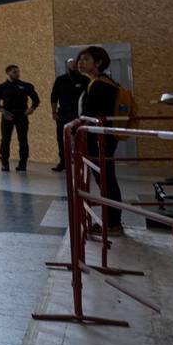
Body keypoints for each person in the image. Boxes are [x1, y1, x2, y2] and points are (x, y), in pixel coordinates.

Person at [76, 45, 125, 231]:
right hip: (102, 139)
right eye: (80, 59)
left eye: (86, 59)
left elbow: (91, 115)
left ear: (98, 63)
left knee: (106, 180)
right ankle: (112, 221)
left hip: (99, 141)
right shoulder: (101, 82)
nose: (80, 63)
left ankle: (112, 223)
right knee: (106, 179)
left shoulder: (99, 85)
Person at [0, 63, 41, 172]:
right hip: (7, 116)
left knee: (23, 139)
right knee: (5, 139)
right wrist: (3, 112)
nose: (17, 74)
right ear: (8, 73)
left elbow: (36, 100)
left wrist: (32, 108)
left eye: (18, 72)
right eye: (14, 72)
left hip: (22, 115)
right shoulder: (1, 87)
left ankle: (22, 163)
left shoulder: (26, 86)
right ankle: (4, 162)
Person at [49, 57, 86, 172]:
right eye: (71, 64)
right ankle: (63, 162)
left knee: (82, 138)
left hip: (79, 114)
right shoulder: (61, 80)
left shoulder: (84, 79)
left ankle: (82, 161)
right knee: (62, 138)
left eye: (76, 63)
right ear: (67, 65)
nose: (74, 65)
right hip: (64, 113)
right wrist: (54, 112)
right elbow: (54, 97)